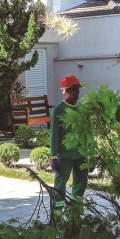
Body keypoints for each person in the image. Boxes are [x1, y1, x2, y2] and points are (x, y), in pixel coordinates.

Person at [50, 74, 87, 209]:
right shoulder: (58, 110)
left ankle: (76, 210)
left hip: (81, 154)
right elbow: (54, 134)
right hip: (64, 156)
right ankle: (58, 212)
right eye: (73, 89)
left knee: (81, 181)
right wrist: (54, 156)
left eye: (78, 88)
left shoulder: (82, 109)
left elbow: (87, 133)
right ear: (65, 91)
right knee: (60, 183)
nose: (77, 91)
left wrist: (91, 155)